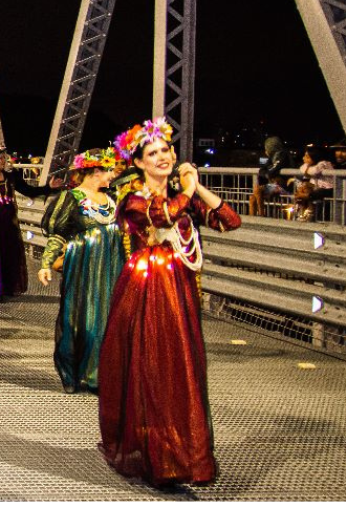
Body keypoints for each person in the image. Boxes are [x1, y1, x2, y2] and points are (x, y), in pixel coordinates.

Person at [100, 117, 241, 487]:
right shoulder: (132, 199)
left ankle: (181, 452)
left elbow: (230, 221)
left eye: (165, 150)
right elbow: (161, 215)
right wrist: (187, 190)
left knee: (181, 366)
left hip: (179, 285)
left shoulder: (185, 198)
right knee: (153, 364)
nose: (161, 157)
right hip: (149, 286)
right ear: (139, 163)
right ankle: (157, 454)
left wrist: (199, 187)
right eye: (152, 153)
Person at [37, 147, 124, 394]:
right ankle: (72, 372)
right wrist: (46, 264)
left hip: (110, 265)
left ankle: (96, 374)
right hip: (83, 265)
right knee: (79, 316)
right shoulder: (72, 198)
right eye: (108, 171)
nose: (111, 176)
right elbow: (58, 235)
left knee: (106, 318)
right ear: (95, 172)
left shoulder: (112, 198)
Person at [0, 147, 63, 302]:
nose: (4, 161)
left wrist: (48, 188)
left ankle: (5, 287)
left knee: (8, 254)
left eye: (5, 158)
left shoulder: (11, 177)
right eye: (0, 158)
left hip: (7, 223)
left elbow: (28, 191)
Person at [290, 145, 334, 222]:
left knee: (305, 192)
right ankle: (304, 213)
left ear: (315, 157)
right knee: (303, 186)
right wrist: (307, 167)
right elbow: (302, 168)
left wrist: (307, 168)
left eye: (307, 156)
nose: (303, 158)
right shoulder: (311, 165)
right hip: (317, 186)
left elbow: (314, 171)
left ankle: (308, 212)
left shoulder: (324, 163)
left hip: (326, 187)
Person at [248, 135, 289, 216]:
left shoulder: (282, 155)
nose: (265, 150)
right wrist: (267, 174)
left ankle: (261, 215)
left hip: (285, 186)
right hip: (275, 185)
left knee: (258, 190)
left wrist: (267, 174)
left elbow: (272, 172)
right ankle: (252, 219)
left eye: (267, 147)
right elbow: (262, 170)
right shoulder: (272, 157)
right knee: (252, 198)